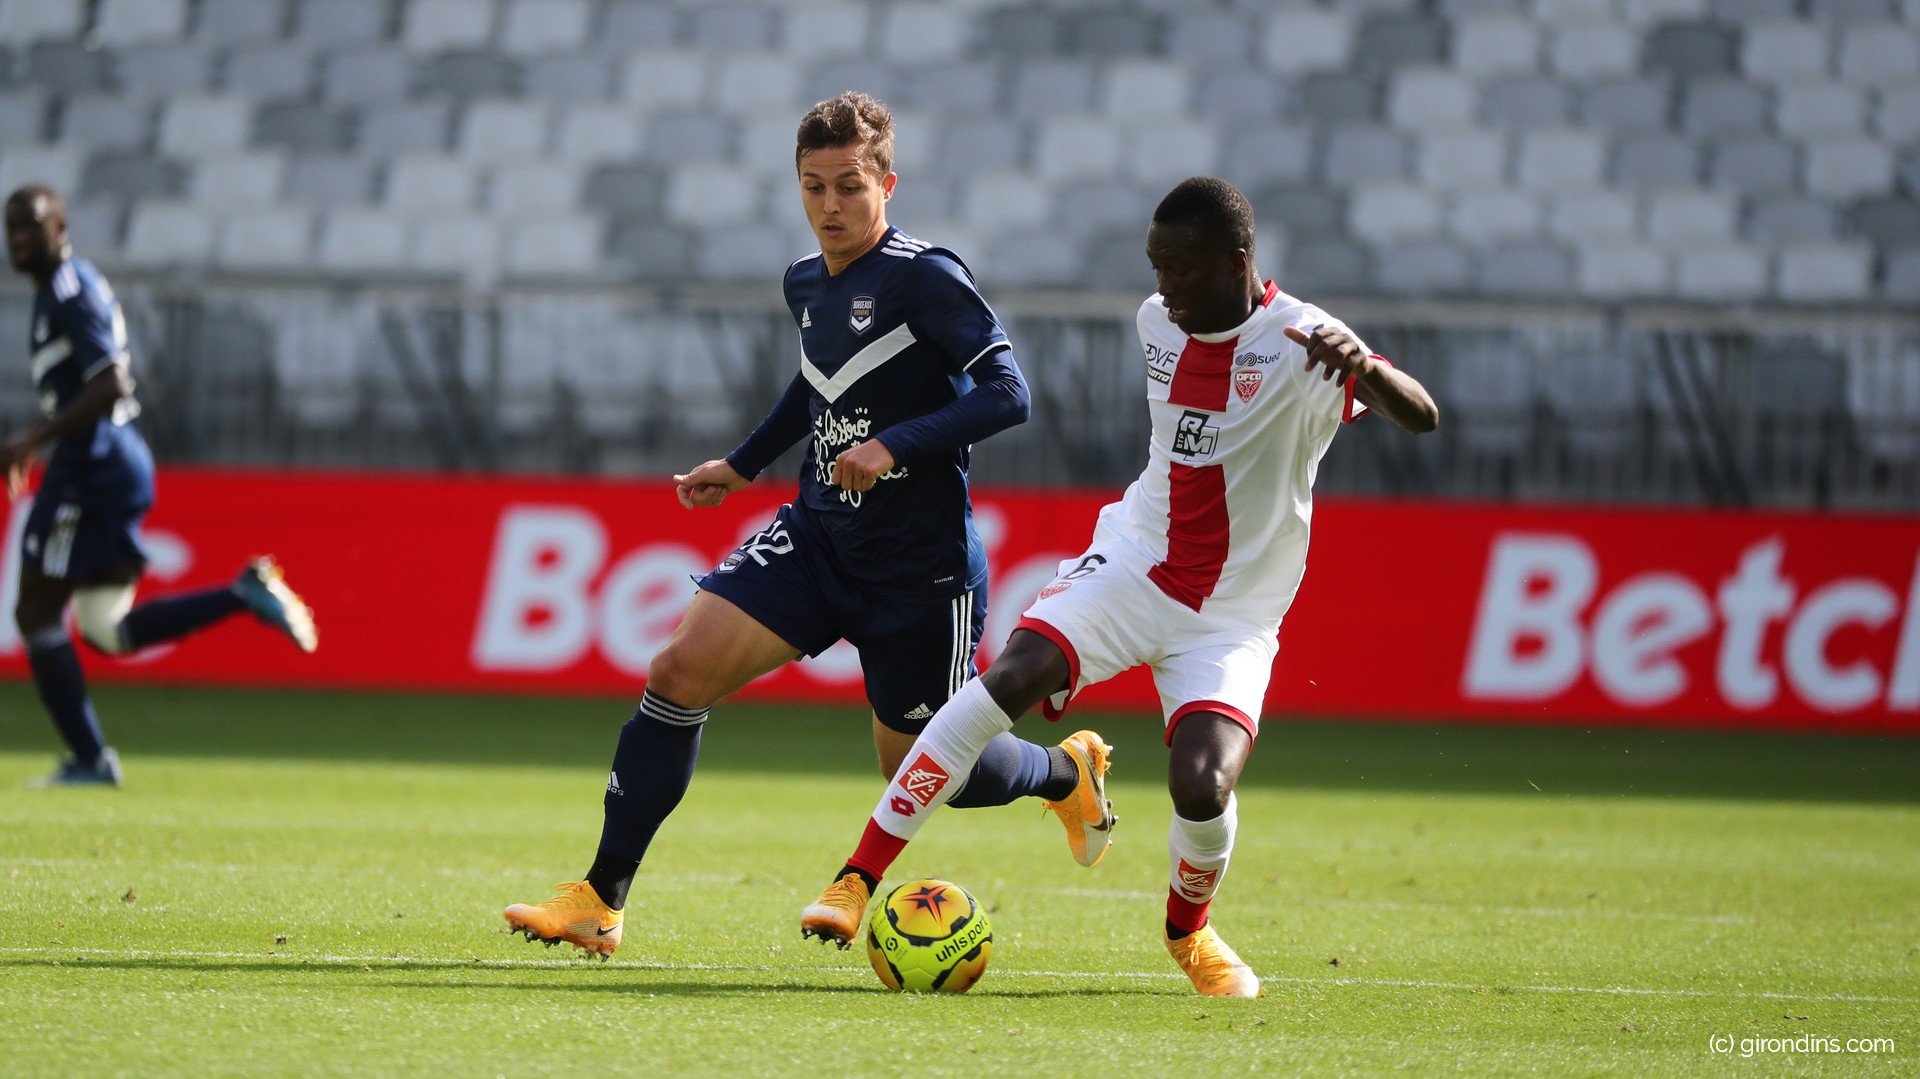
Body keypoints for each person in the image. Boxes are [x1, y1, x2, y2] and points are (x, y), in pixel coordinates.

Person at [503, 93, 1114, 958]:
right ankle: (601, 898)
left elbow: (1008, 394)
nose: (830, 205)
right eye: (814, 186)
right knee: (677, 671)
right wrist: (743, 463)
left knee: (926, 768)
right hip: (819, 536)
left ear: (887, 185)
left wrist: (895, 445)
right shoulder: (804, 281)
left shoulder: (927, 277)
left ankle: (1062, 769)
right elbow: (817, 385)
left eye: (849, 186)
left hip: (918, 569)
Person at [799, 177, 1440, 997]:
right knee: (1010, 678)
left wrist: (1367, 374)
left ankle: (1188, 930)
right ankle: (856, 877)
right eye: (1156, 267)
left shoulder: (1306, 341)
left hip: (1234, 616)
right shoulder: (1155, 322)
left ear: (1237, 262)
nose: (1164, 288)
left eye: (1181, 270)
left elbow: (1422, 415)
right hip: (1136, 562)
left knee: (1202, 785)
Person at [3, 184, 318, 788]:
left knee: (36, 610)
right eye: (10, 228)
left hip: (91, 468)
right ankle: (242, 594)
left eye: (30, 228)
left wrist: (32, 440)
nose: (17, 240)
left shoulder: (70, 291)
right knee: (105, 628)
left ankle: (91, 761)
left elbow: (112, 381)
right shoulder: (57, 290)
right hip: (111, 464)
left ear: (60, 228)